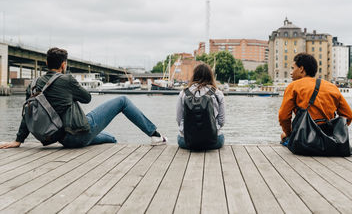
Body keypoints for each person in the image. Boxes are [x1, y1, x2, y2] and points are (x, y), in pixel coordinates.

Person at [0, 47, 167, 149]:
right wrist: (70, 88)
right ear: (63, 64)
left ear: (46, 62)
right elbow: (87, 98)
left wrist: (18, 140)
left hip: (62, 139)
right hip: (80, 134)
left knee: (112, 139)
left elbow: (28, 112)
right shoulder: (67, 79)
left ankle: (113, 143)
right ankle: (155, 135)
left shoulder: (34, 84)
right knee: (122, 101)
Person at [279, 53, 352, 145]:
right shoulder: (332, 87)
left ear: (301, 69)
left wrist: (290, 133)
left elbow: (283, 116)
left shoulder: (293, 87)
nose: (291, 72)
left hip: (305, 140)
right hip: (328, 140)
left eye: (293, 68)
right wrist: (336, 131)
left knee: (283, 135)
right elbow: (348, 115)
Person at [176, 63, 225, 150]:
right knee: (221, 136)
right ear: (210, 76)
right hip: (213, 141)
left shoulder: (183, 93)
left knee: (180, 137)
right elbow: (221, 121)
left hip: (187, 141)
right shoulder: (218, 93)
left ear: (194, 75)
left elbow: (179, 120)